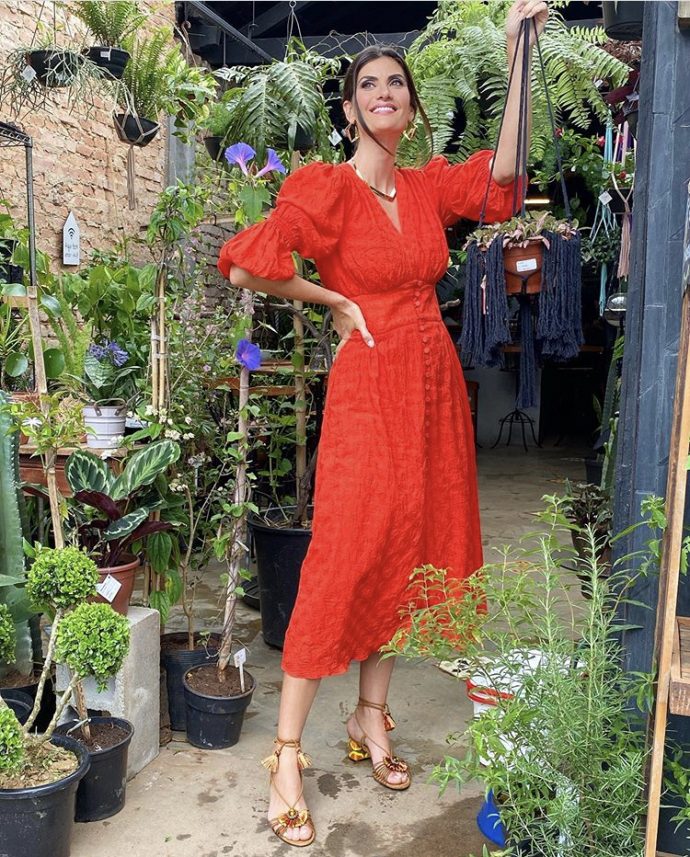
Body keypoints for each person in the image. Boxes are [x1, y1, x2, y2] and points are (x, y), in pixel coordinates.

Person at [217, 0, 548, 846]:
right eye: (369, 84)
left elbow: (506, 174)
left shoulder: (430, 184)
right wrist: (333, 298)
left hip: (434, 382)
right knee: (346, 551)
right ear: (349, 107)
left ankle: (371, 716)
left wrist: (521, 49)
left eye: (397, 82)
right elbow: (251, 264)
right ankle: (288, 753)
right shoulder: (325, 187)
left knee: (413, 544)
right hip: (369, 380)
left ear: (411, 102)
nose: (385, 93)